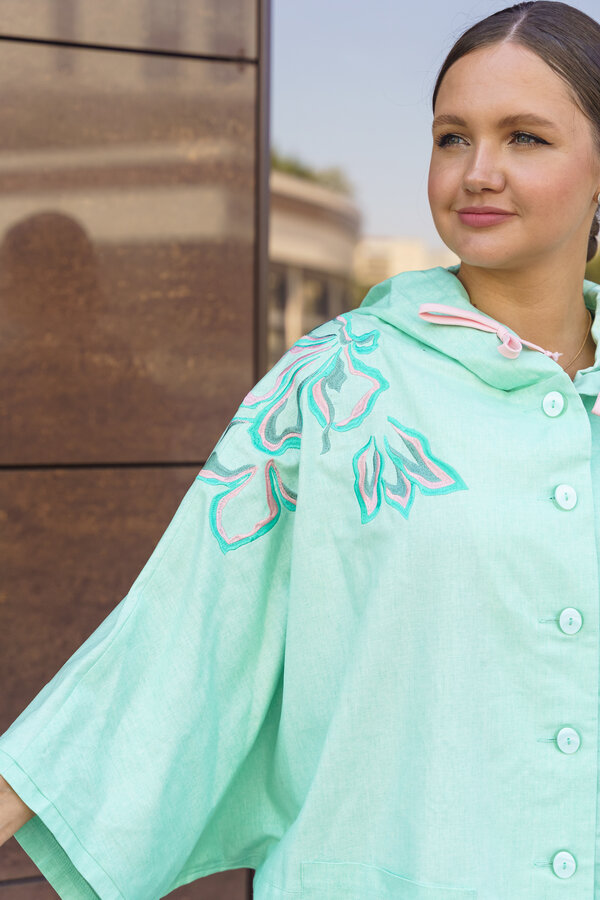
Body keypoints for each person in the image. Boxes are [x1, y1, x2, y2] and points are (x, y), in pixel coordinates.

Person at [2, 1, 600, 897]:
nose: (478, 173)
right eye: (451, 138)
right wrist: (17, 790)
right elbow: (188, 626)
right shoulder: (337, 380)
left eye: (525, 138)